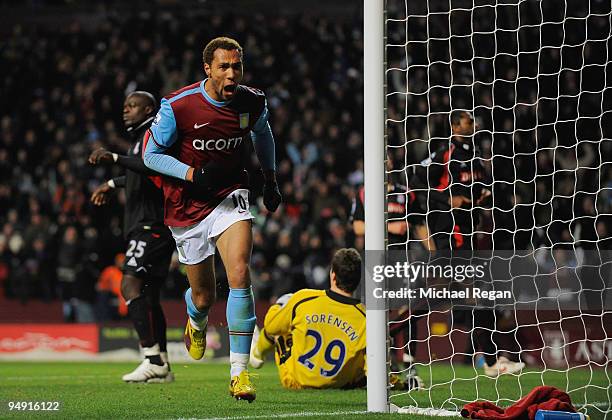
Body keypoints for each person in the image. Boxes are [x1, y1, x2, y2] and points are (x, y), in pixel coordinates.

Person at [142, 37, 282, 402]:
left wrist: (270, 179)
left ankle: (239, 374)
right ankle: (196, 320)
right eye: (224, 66)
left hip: (230, 196)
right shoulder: (179, 105)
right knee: (203, 297)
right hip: (186, 205)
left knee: (239, 272)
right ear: (208, 69)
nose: (232, 73)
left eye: (237, 66)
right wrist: (190, 174)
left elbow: (262, 134)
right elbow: (150, 154)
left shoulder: (252, 101)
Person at [417, 110, 524, 377]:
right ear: (454, 125)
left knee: (451, 296)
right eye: (467, 121)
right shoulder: (443, 155)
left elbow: (483, 187)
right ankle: (490, 361)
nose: (473, 124)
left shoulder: (475, 157)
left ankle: (490, 361)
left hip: (468, 235)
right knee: (473, 293)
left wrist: (484, 195)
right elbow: (419, 181)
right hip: (451, 236)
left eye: (473, 121)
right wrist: (447, 200)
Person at [89, 91, 176, 383]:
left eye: (133, 105)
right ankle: (162, 364)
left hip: (150, 225)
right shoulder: (140, 138)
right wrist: (113, 183)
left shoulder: (154, 135)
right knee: (149, 296)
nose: (126, 110)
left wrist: (114, 157)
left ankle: (151, 358)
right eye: (125, 105)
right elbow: (141, 174)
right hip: (152, 226)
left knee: (129, 284)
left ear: (149, 108)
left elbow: (152, 167)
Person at [350, 165, 433, 388]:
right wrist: (389, 226)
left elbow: (419, 225)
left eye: (387, 160)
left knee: (409, 308)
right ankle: (381, 361)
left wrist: (436, 254)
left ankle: (409, 363)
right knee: (377, 310)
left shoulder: (406, 193)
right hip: (376, 259)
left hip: (402, 258)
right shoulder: (364, 192)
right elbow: (358, 227)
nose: (384, 164)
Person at [250, 248, 367, 389]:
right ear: (358, 279)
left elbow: (271, 327)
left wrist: (276, 308)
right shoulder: (366, 317)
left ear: (333, 276)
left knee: (283, 308)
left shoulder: (304, 298)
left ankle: (257, 354)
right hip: (339, 384)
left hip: (295, 381)